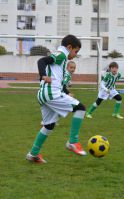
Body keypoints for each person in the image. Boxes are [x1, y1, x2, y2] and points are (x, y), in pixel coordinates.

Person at [26, 35, 86, 164]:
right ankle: (73, 141)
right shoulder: (61, 55)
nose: (75, 55)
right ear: (69, 47)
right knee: (80, 108)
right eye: (76, 51)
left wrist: (66, 92)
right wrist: (43, 75)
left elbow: (57, 79)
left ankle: (33, 154)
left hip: (44, 94)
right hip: (51, 93)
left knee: (49, 126)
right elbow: (41, 61)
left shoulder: (61, 58)